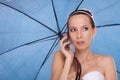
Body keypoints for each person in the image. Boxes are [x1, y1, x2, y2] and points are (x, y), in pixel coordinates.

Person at [51, 9, 117, 80]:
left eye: (85, 28)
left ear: (94, 31)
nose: (79, 35)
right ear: (68, 34)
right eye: (73, 30)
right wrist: (68, 60)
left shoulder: (106, 62)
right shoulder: (60, 57)